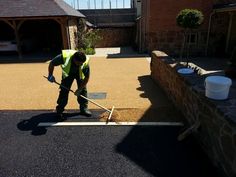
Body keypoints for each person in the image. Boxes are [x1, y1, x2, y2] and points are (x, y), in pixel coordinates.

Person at [47, 49, 92, 121]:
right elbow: (52, 63)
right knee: (64, 91)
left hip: (80, 74)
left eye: (82, 63)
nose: (81, 65)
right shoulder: (64, 57)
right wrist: (50, 75)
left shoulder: (84, 63)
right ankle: (60, 110)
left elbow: (87, 77)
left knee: (83, 90)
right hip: (68, 74)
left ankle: (84, 108)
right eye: (79, 63)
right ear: (74, 59)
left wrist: (79, 89)